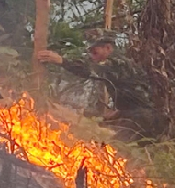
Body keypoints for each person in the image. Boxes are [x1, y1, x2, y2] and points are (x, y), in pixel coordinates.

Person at [36, 35, 166, 140]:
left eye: (95, 51)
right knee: (95, 129)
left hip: (142, 119)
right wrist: (118, 113)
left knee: (110, 147)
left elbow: (89, 70)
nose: (92, 56)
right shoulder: (121, 64)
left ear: (108, 48)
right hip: (137, 116)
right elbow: (134, 96)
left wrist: (62, 61)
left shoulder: (116, 63)